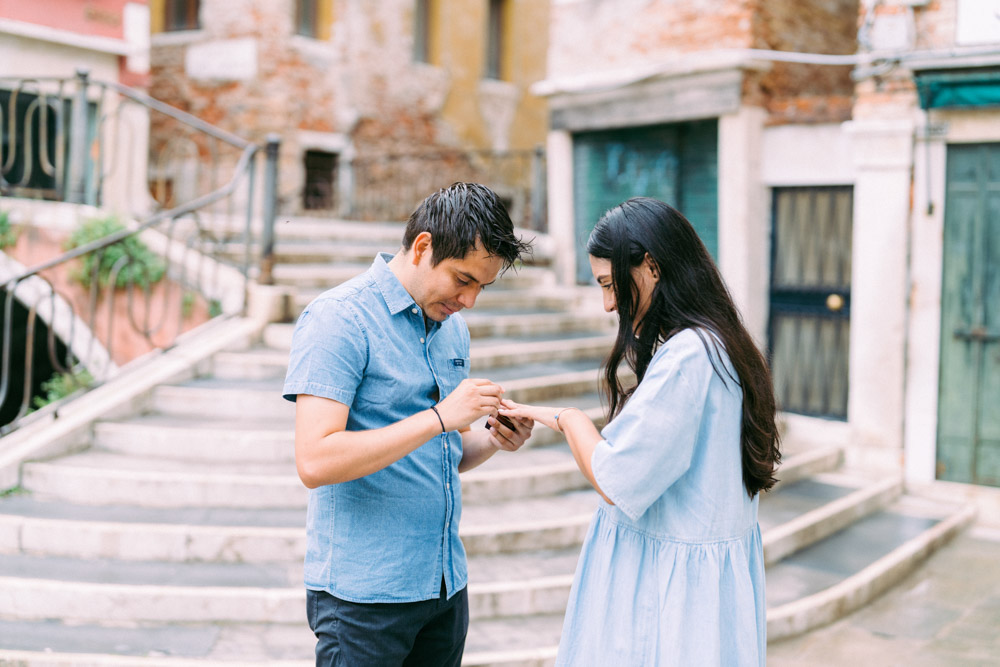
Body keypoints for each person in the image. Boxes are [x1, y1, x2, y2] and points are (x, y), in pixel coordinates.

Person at [499, 197, 781, 666]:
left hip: (667, 601)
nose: (609, 304)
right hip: (701, 591)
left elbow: (617, 478)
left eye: (610, 285)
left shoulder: (689, 356)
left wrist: (569, 419)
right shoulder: (723, 344)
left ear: (650, 265)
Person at [282, 182, 534, 666]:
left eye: (482, 285)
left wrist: (494, 439)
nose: (470, 300)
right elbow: (315, 460)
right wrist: (440, 418)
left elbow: (443, 453)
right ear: (423, 246)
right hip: (364, 600)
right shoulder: (338, 320)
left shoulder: (451, 327)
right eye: (463, 279)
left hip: (443, 587)